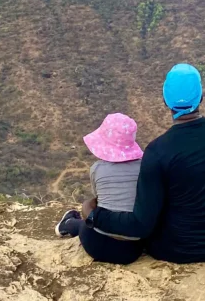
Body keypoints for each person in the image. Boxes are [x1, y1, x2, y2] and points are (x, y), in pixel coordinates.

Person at [80, 63, 205, 264]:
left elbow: (140, 225)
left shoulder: (158, 151)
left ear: (166, 101)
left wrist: (93, 215)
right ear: (201, 97)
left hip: (174, 248)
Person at [54, 113, 146, 265]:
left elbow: (99, 200)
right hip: (132, 250)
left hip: (97, 244)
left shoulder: (97, 169)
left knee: (86, 221)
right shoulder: (144, 166)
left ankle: (67, 224)